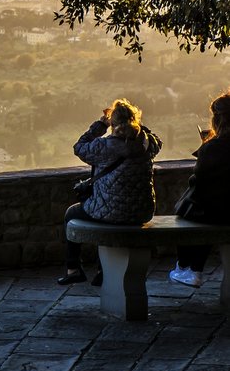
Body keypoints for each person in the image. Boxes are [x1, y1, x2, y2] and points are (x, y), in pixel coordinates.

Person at [58, 99, 162, 285]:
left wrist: (100, 125)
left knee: (72, 213)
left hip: (111, 212)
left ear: (113, 123)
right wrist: (139, 125)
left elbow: (79, 147)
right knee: (103, 210)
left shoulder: (105, 146)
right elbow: (158, 142)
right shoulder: (147, 144)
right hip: (141, 212)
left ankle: (73, 268)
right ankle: (101, 271)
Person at [170, 91, 230, 287]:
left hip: (218, 211)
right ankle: (192, 268)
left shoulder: (212, 147)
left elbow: (200, 182)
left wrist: (205, 149)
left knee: (186, 211)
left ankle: (189, 268)